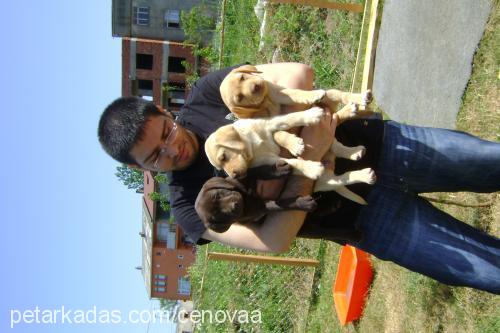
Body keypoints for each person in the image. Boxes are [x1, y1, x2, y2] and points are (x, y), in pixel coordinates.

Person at [98, 63, 500, 294]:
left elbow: (297, 75)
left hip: (382, 146)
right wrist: (310, 151)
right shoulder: (189, 207)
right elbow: (273, 239)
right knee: (489, 269)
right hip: (367, 221)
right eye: (156, 155)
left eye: (165, 133)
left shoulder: (208, 94)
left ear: (164, 113)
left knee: (490, 160)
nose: (173, 149)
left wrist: (308, 146)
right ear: (141, 169)